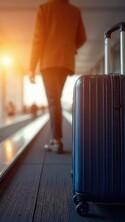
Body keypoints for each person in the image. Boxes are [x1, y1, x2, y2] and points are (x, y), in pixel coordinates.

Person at [28, 0, 86, 153]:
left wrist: (31, 67)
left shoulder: (44, 8)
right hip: (65, 63)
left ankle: (57, 140)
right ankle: (55, 138)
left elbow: (38, 39)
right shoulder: (74, 11)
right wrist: (70, 48)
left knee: (53, 101)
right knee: (56, 100)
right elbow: (82, 37)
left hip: (49, 62)